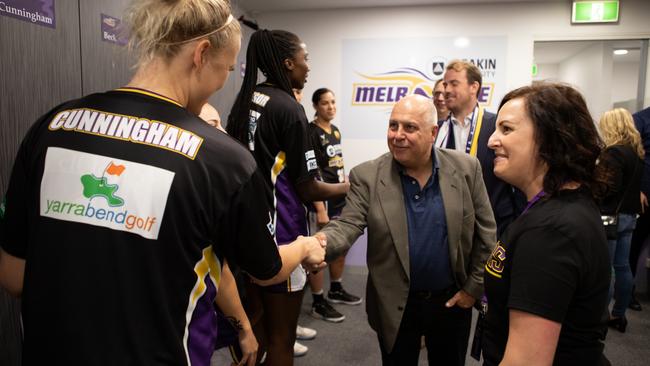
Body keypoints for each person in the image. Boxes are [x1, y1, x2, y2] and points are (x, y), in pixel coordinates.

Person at [0, 1, 326, 365]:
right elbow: (267, 270)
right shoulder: (223, 160)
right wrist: (305, 245)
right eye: (226, 70)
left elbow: (14, 277)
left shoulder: (50, 127)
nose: (221, 84)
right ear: (201, 54)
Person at [318, 94, 496, 365]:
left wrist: (473, 288)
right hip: (394, 304)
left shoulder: (466, 169)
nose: (397, 135)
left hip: (451, 302)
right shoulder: (367, 175)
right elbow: (347, 224)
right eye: (393, 126)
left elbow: (486, 234)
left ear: (433, 133)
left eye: (409, 128)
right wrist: (319, 243)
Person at [226, 29, 349, 366]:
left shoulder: (248, 99)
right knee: (282, 339)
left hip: (246, 232)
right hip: (282, 237)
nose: (308, 67)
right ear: (287, 63)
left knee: (256, 330)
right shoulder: (289, 108)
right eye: (305, 59)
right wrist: (348, 187)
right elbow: (308, 188)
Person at [482, 83, 611, 365]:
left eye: (506, 129)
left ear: (549, 138)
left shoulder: (551, 231)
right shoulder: (563, 206)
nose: (492, 140)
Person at [437, 60, 521, 236]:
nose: (446, 90)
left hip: (495, 229)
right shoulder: (437, 131)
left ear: (473, 87)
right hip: (449, 231)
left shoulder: (497, 126)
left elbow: (515, 177)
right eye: (445, 84)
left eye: (454, 83)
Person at [307, 88, 362, 324]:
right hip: (323, 199)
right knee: (320, 250)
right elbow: (312, 173)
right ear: (316, 106)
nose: (330, 107)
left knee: (340, 246)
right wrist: (320, 208)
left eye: (333, 102)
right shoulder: (311, 132)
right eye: (325, 103)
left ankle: (336, 289)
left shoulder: (335, 130)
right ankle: (318, 301)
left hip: (340, 197)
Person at [599, 108, 645, 332]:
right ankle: (619, 315)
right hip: (629, 216)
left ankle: (601, 315)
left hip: (610, 218)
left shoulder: (613, 153)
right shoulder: (636, 153)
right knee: (623, 267)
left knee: (606, 270)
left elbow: (607, 188)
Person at [629, 106, 650, 311]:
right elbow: (634, 156)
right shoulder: (641, 119)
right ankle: (628, 294)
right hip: (644, 196)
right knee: (633, 245)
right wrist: (637, 189)